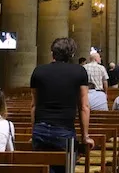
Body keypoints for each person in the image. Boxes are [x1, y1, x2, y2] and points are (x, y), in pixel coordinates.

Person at [30, 37, 94, 172]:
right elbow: (84, 106)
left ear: (52, 53)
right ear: (71, 54)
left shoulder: (38, 71)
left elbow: (34, 105)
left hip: (40, 128)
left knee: (42, 169)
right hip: (64, 129)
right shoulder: (79, 71)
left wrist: (34, 130)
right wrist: (85, 136)